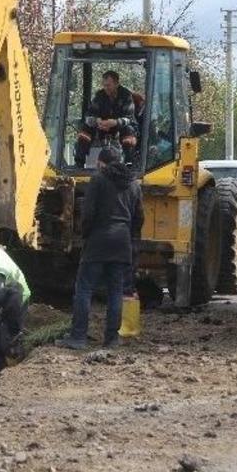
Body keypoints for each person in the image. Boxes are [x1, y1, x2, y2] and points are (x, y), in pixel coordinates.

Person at [57, 146, 144, 350]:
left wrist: (85, 235)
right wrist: (130, 238)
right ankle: (111, 339)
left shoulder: (98, 180)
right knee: (116, 291)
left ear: (101, 162)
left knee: (84, 288)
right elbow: (139, 217)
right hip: (122, 242)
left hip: (98, 239)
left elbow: (88, 214)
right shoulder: (133, 183)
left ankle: (78, 337)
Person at [74, 70, 139, 167]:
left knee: (129, 130)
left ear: (116, 84)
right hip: (101, 127)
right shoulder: (99, 95)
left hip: (119, 127)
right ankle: (79, 163)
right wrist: (97, 121)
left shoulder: (126, 96)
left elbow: (129, 117)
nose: (106, 88)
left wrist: (116, 122)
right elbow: (89, 115)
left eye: (108, 85)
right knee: (85, 129)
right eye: (104, 85)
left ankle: (129, 162)